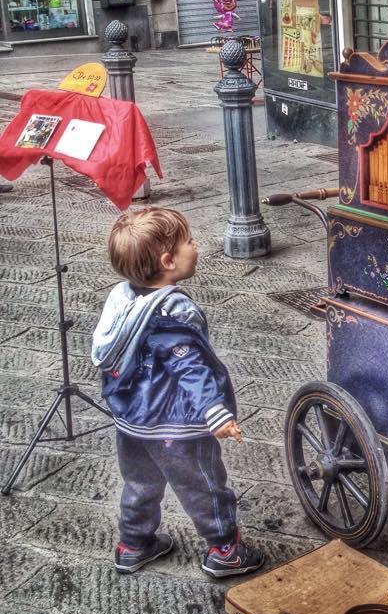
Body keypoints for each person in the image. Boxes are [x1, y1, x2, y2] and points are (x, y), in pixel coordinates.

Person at [91, 207, 264, 578]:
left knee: (139, 483)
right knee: (203, 485)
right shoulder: (171, 311)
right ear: (168, 261)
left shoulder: (123, 299)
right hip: (176, 424)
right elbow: (191, 367)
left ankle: (133, 545)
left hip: (132, 421)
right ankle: (224, 551)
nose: (195, 245)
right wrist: (216, 413)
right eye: (189, 241)